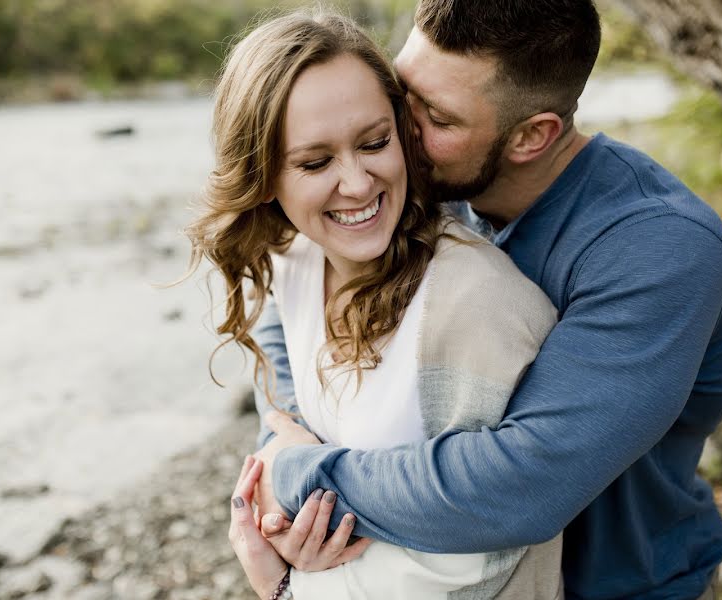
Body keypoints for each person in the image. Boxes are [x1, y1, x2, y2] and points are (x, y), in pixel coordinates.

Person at [251, 1, 722, 599]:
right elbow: (295, 292)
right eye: (401, 90)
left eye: (435, 115)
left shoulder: (660, 249)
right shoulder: (423, 183)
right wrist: (287, 462)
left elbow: (520, 484)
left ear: (532, 137)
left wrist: (301, 476)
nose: (397, 129)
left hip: (625, 586)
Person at [186, 9, 564, 600]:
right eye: (315, 163)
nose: (359, 184)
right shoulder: (295, 256)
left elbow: (482, 549)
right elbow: (287, 416)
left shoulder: (476, 305)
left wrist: (287, 588)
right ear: (263, 178)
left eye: (374, 142)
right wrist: (281, 517)